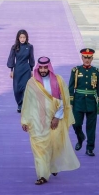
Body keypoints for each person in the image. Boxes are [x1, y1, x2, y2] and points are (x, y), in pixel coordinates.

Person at [21, 57, 80, 185]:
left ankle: (52, 166)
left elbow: (64, 101)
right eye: (40, 68)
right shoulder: (32, 82)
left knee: (54, 144)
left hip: (54, 119)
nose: (42, 70)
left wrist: (57, 117)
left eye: (45, 67)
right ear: (37, 68)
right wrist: (25, 120)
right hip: (37, 120)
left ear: (49, 67)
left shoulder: (58, 80)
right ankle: (42, 175)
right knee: (39, 146)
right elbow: (27, 103)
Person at [69, 48, 99, 157]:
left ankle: (89, 148)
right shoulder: (76, 71)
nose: (87, 60)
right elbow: (70, 87)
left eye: (89, 58)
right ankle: (80, 137)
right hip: (78, 101)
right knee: (76, 123)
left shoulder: (96, 71)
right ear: (82, 58)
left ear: (92, 58)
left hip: (92, 102)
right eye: (85, 57)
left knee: (91, 127)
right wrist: (71, 102)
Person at [7, 29, 35, 113]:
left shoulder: (30, 46)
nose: (22, 39)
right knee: (17, 89)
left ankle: (24, 105)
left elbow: (31, 58)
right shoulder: (14, 47)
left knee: (25, 87)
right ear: (18, 38)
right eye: (21, 37)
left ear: (26, 38)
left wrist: (31, 70)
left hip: (26, 69)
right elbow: (11, 58)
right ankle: (19, 103)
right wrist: (11, 70)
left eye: (24, 37)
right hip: (17, 69)